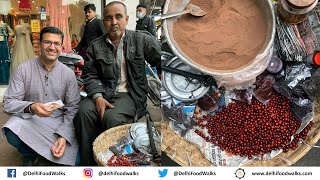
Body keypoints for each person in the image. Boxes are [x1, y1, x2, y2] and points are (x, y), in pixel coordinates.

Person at [73, 1, 161, 166]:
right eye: (108, 18)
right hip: (104, 92)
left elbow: (161, 60)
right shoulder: (95, 46)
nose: (114, 22)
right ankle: (89, 165)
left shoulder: (140, 39)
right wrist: (98, 97)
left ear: (126, 19)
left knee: (112, 118)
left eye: (118, 17)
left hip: (129, 94)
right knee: (83, 113)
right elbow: (90, 75)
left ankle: (113, 164)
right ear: (103, 22)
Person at [2, 26, 81, 166]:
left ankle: (42, 150)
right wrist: (31, 107)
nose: (52, 47)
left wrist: (63, 136)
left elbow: (73, 108)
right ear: (39, 44)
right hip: (31, 120)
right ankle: (29, 153)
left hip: (58, 124)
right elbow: (8, 102)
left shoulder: (68, 74)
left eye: (57, 43)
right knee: (11, 129)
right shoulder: (24, 69)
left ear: (61, 46)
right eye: (47, 42)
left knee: (76, 161)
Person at [0, 18, 14, 85]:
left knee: (5, 60)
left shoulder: (5, 25)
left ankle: (5, 79)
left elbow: (12, 32)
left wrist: (9, 37)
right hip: (2, 43)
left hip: (4, 44)